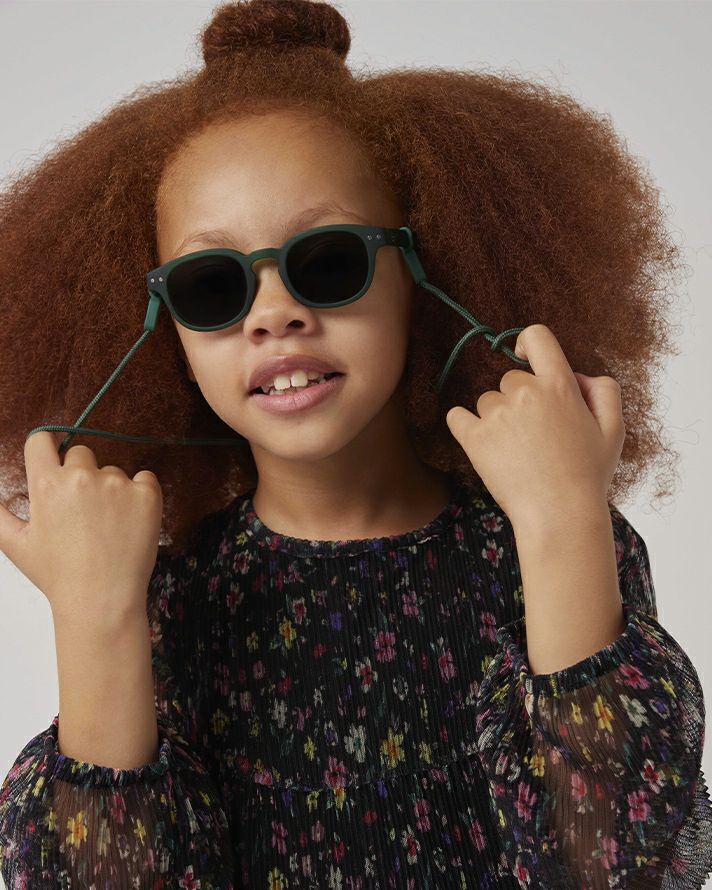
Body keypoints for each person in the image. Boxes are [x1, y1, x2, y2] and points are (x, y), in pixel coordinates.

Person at [0, 1, 710, 888]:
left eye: (328, 261)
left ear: (424, 269)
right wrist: (93, 615)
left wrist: (564, 515)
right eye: (212, 285)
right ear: (163, 329)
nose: (274, 314)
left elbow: (614, 864)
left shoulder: (543, 543)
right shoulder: (173, 597)